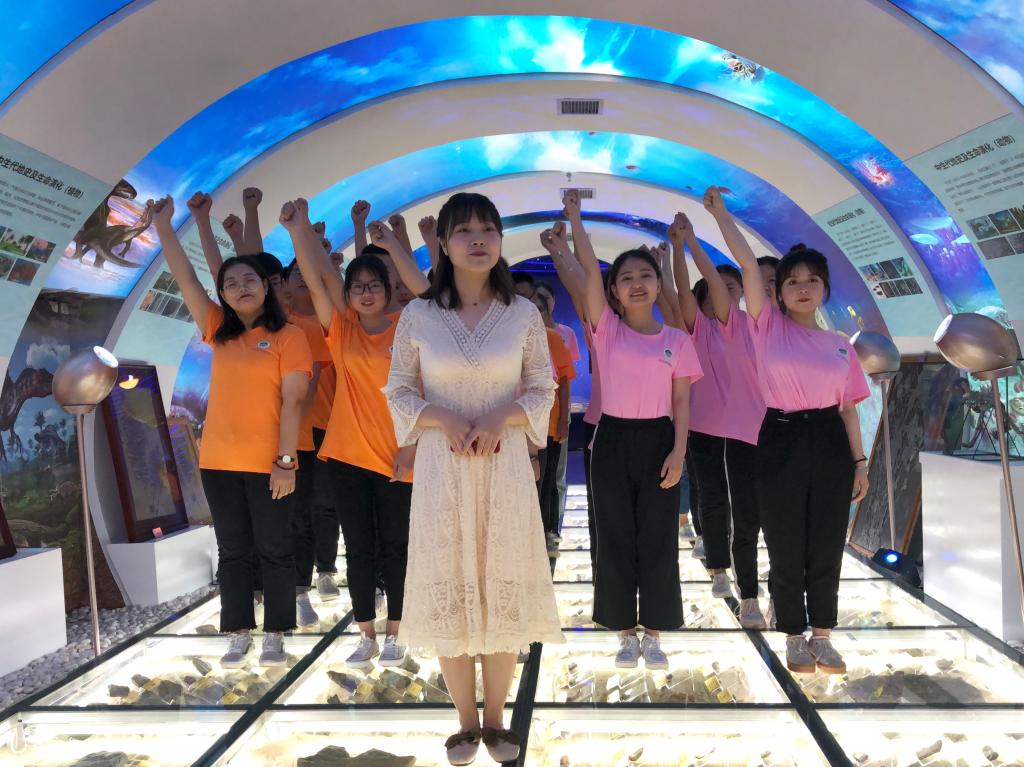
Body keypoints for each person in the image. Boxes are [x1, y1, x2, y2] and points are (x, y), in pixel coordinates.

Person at [384, 192, 562, 765]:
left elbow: (544, 387)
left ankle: (497, 720)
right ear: (443, 242)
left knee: (501, 579)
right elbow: (398, 390)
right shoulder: (419, 314)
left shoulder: (522, 313)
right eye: (464, 231)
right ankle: (464, 722)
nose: (478, 239)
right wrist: (438, 417)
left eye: (488, 229)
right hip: (443, 467)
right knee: (449, 580)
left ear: (501, 240)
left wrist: (501, 415)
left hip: (503, 465)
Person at [705, 186, 869, 674]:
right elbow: (747, 265)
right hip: (779, 435)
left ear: (824, 288)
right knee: (784, 538)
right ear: (777, 291)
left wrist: (860, 462)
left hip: (830, 440)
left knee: (827, 539)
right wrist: (722, 215)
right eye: (792, 281)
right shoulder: (766, 327)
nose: (801, 288)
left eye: (812, 280)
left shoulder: (840, 344)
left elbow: (848, 410)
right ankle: (794, 634)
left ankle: (824, 634)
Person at [152, 195, 312, 668]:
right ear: (222, 293)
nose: (241, 288)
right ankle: (239, 630)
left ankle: (276, 631)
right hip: (218, 462)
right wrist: (164, 226)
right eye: (231, 283)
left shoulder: (289, 337)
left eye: (249, 280)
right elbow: (185, 276)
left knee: (275, 548)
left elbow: (294, 401)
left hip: (269, 464)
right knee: (233, 550)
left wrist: (286, 461)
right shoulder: (217, 327)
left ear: (265, 287)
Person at [281, 198, 428, 670]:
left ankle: (397, 632)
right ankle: (366, 631)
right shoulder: (341, 331)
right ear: (349, 293)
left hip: (399, 456)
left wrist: (411, 447)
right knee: (359, 548)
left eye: (374, 285)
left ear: (389, 289)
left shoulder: (411, 327)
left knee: (398, 547)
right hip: (347, 457)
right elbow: (318, 278)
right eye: (358, 286)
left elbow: (425, 390)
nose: (366, 293)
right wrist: (299, 231)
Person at [566, 189, 703, 669]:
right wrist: (576, 219)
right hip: (612, 439)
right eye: (626, 278)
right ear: (614, 292)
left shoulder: (676, 340)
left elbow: (682, 400)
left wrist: (679, 451)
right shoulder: (606, 329)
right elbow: (588, 270)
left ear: (657, 282)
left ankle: (656, 631)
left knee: (659, 536)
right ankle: (625, 631)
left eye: (645, 275)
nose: (637, 284)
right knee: (615, 535)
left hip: (660, 439)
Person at [667, 212, 767, 628]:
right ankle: (720, 568)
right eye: (714, 288)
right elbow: (679, 291)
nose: (722, 294)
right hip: (705, 427)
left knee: (746, 510)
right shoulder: (701, 329)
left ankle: (750, 592)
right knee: (712, 499)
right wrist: (681, 245)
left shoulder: (757, 326)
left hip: (750, 429)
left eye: (731, 288)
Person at [529, 288, 575, 549]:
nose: (534, 315)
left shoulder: (553, 338)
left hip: (549, 423)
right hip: (519, 425)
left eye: (539, 310)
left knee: (548, 481)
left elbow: (565, 381)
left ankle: (547, 530)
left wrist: (563, 420)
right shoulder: (513, 338)